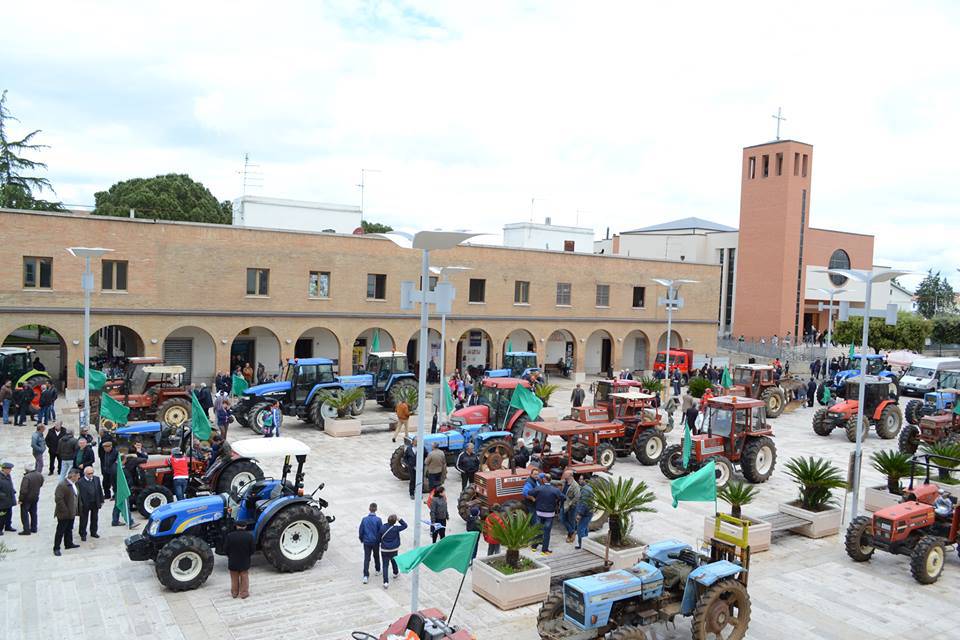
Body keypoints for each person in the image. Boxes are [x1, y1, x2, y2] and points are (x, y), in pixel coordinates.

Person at [529, 478, 563, 555]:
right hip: (549, 514)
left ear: (544, 480)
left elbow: (530, 492)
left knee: (539, 530)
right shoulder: (555, 490)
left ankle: (534, 546)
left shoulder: (539, 488)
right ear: (550, 480)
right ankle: (544, 550)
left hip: (539, 513)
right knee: (547, 532)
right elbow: (563, 497)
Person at [53, 467, 81, 556]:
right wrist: (65, 510)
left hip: (71, 512)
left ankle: (68, 543)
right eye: (77, 476)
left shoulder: (74, 484)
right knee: (60, 530)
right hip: (64, 513)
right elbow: (58, 499)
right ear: (73, 476)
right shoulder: (62, 485)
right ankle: (56, 548)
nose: (79, 477)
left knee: (69, 529)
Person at [225, 522, 256, 598]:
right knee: (244, 577)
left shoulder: (230, 536)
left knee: (234, 578)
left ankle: (234, 593)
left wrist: (230, 556)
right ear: (245, 527)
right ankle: (244, 593)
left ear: (236, 526)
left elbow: (225, 549)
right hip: (244, 560)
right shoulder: (249, 536)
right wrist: (247, 555)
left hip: (233, 561)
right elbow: (252, 550)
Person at [378, 514, 407, 589]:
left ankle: (385, 582)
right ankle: (395, 572)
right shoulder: (396, 528)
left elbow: (379, 537)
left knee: (385, 565)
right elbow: (405, 525)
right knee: (394, 560)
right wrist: (399, 519)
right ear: (394, 522)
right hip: (394, 549)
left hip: (384, 549)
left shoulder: (382, 527)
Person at [77, 465, 104, 541]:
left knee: (94, 518)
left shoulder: (96, 479)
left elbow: (99, 490)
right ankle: (83, 533)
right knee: (84, 519)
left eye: (92, 473)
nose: (91, 475)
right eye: (89, 474)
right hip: (85, 504)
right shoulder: (80, 482)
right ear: (85, 473)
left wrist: (101, 500)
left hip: (95, 502)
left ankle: (94, 532)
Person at [359, 503, 383, 584]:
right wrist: (380, 540)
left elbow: (361, 531)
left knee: (367, 558)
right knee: (376, 556)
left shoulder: (364, 519)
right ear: (376, 509)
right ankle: (378, 570)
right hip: (375, 542)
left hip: (366, 541)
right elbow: (381, 531)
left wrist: (362, 539)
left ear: (369, 508)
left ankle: (365, 575)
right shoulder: (378, 520)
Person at [18, 463, 43, 535]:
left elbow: (23, 490)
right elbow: (41, 483)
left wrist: (20, 499)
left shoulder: (26, 477)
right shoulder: (39, 474)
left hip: (26, 498)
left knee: (24, 514)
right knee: (33, 513)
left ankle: (26, 530)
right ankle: (34, 528)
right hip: (35, 497)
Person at [574, 475, 593, 549]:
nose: (579, 480)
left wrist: (579, 513)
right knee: (585, 528)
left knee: (580, 529)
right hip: (588, 512)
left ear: (585, 480)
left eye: (581, 479)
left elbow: (584, 502)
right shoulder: (589, 488)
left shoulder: (585, 490)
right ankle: (585, 544)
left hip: (585, 513)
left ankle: (582, 545)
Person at [561, 469, 580, 543]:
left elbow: (577, 496)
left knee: (571, 521)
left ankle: (570, 536)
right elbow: (558, 482)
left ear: (570, 476)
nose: (563, 475)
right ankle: (572, 532)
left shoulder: (575, 485)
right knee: (562, 519)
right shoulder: (564, 482)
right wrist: (549, 480)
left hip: (571, 506)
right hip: (564, 504)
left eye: (565, 474)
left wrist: (570, 503)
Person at [0, 462, 16, 534]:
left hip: (9, 499)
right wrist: (3, 496)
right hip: (2, 501)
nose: (10, 470)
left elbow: (10, 485)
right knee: (2, 516)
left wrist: (13, 490)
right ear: (4, 469)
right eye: (9, 469)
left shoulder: (8, 476)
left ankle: (8, 526)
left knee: (9, 514)